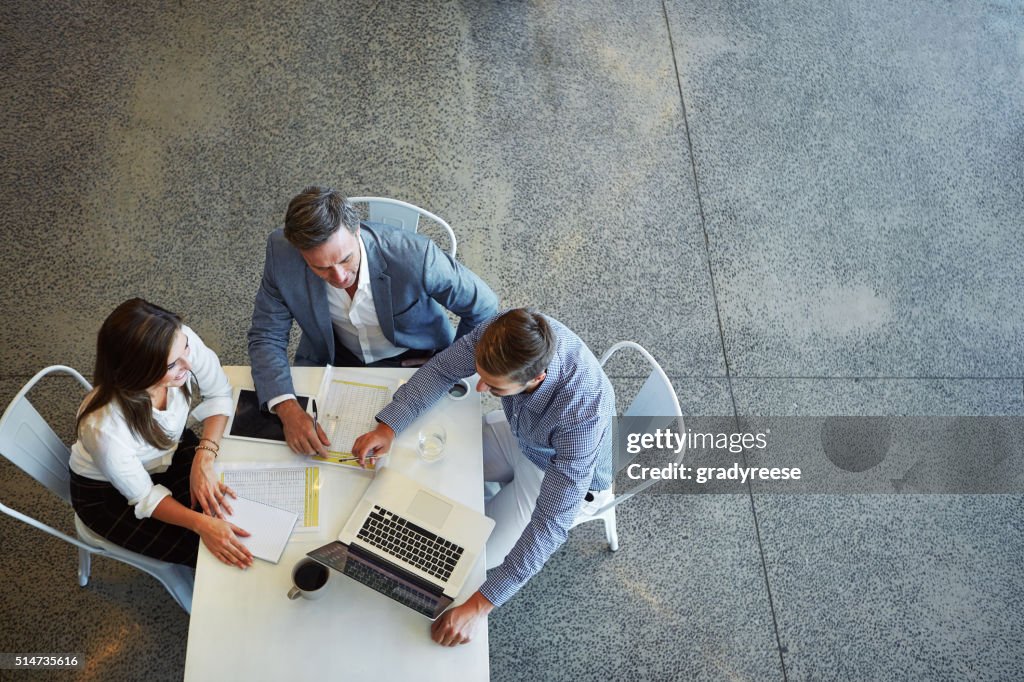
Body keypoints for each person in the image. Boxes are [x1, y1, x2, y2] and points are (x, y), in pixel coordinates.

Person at [353, 308, 615, 646]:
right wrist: (389, 426)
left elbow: (549, 524)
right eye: (481, 375)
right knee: (437, 469)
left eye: (494, 387)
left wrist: (479, 606)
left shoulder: (582, 413)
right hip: (524, 436)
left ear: (535, 378)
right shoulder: (503, 333)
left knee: (470, 558)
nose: (479, 387)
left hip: (558, 474)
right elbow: (444, 368)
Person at [248, 186, 499, 458]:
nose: (341, 276)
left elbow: (484, 307)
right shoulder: (280, 254)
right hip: (334, 355)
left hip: (417, 359)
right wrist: (287, 408)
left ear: (358, 232)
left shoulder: (416, 256)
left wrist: (449, 361)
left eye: (346, 259)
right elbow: (266, 335)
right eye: (321, 268)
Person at [69, 298, 253, 569]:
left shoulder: (177, 340)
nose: (188, 366)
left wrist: (204, 459)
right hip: (108, 494)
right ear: (137, 372)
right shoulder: (103, 428)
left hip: (167, 449)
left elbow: (219, 393)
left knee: (238, 506)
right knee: (207, 551)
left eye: (186, 350)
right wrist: (202, 525)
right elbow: (145, 497)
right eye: (172, 366)